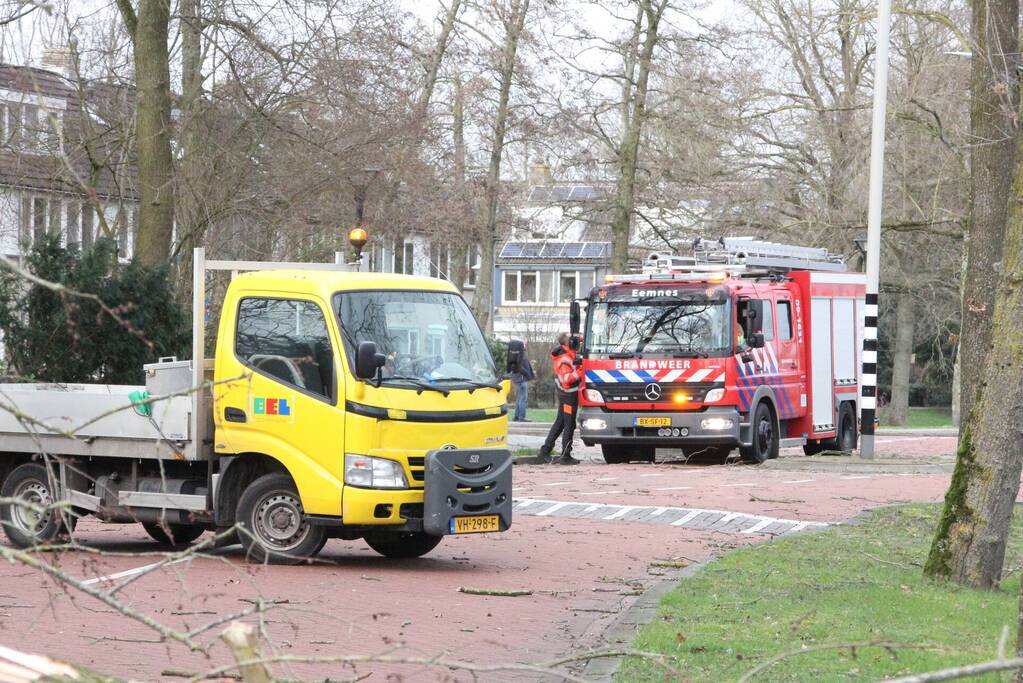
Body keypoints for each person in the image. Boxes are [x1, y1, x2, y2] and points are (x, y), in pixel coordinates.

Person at [537, 332, 583, 465]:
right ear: (565, 343)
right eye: (571, 339)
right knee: (569, 424)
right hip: (568, 395)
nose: (575, 341)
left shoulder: (569, 354)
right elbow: (567, 379)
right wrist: (581, 371)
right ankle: (565, 455)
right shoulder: (564, 359)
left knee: (561, 422)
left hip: (567, 394)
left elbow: (580, 338)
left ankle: (545, 451)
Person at [509, 340, 535, 421]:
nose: (525, 345)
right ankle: (521, 417)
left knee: (519, 398)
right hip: (521, 378)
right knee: (523, 398)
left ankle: (516, 416)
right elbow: (519, 367)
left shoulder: (515, 353)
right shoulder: (520, 354)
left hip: (518, 378)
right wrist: (527, 373)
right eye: (524, 344)